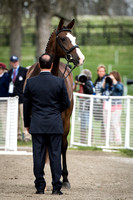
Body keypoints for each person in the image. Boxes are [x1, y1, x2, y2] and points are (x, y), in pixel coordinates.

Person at [23, 53, 70, 195]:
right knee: (55, 155)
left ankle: (39, 186)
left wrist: (27, 123)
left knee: (38, 155)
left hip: (37, 124)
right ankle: (56, 187)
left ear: (38, 65)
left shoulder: (31, 82)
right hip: (54, 123)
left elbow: (26, 105)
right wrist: (55, 112)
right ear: (51, 66)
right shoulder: (60, 82)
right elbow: (66, 103)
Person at [8, 55, 30, 142]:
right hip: (13, 99)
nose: (15, 63)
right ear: (11, 63)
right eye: (13, 62)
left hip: (22, 98)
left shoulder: (24, 71)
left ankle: (27, 136)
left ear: (18, 61)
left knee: (25, 118)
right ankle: (17, 135)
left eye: (16, 61)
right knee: (15, 118)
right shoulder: (9, 73)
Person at [101, 71, 123, 145]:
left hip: (116, 107)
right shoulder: (108, 85)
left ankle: (118, 141)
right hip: (107, 106)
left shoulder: (119, 84)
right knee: (107, 124)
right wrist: (105, 81)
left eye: (112, 76)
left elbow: (119, 89)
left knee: (115, 124)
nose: (110, 78)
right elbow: (102, 90)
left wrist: (114, 81)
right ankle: (109, 141)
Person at [74, 69, 95, 143]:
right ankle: (82, 140)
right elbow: (74, 90)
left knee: (89, 123)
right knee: (82, 123)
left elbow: (91, 92)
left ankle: (91, 140)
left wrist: (85, 84)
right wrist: (76, 83)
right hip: (81, 106)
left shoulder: (88, 82)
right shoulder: (79, 83)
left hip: (87, 106)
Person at [93, 64, 107, 138]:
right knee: (100, 119)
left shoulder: (106, 79)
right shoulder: (97, 80)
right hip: (98, 103)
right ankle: (102, 136)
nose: (101, 72)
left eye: (103, 71)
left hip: (105, 103)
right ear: (97, 72)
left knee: (105, 120)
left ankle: (104, 136)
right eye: (100, 71)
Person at [0, 63, 10, 140]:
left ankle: (5, 136)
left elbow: (8, 88)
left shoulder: (6, 77)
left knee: (3, 118)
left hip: (3, 100)